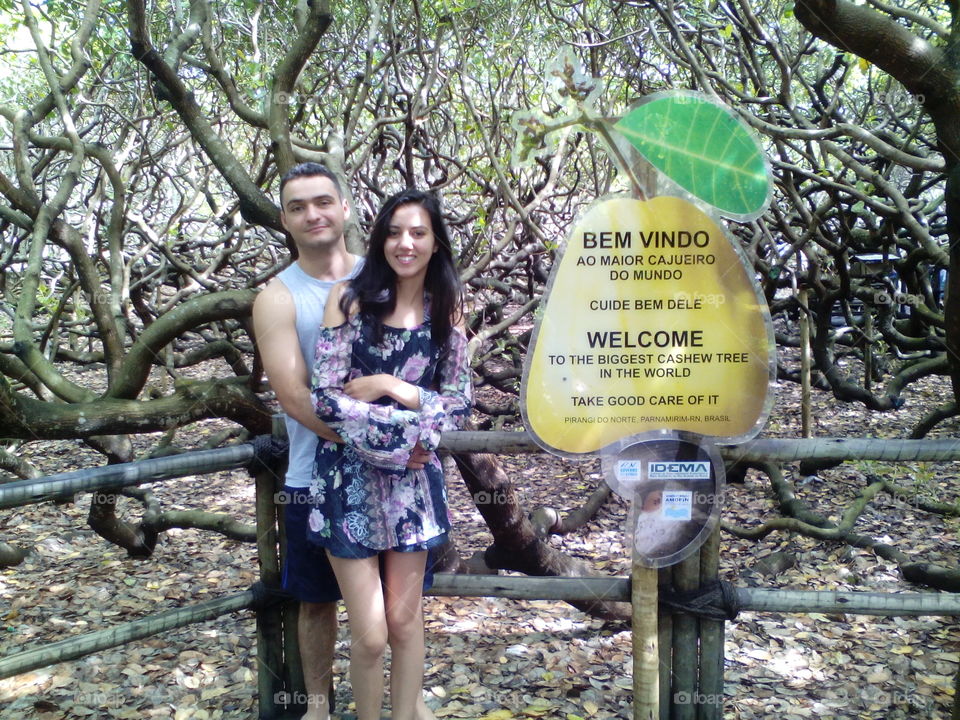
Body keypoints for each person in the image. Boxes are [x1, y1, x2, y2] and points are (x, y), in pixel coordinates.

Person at [252, 164, 433, 720]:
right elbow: (297, 398)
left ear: (347, 208)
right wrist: (384, 448)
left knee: (397, 613)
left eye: (323, 202)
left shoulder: (386, 272)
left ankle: (408, 701)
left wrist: (405, 432)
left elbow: (427, 367)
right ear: (284, 219)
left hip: (402, 480)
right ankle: (318, 706)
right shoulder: (278, 298)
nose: (314, 214)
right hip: (319, 475)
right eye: (299, 206)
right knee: (316, 600)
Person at [308, 189, 472, 720]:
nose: (406, 243)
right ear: (380, 239)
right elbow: (327, 399)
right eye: (395, 232)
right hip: (347, 483)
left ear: (435, 243)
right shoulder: (348, 300)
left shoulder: (446, 310)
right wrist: (404, 441)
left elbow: (458, 404)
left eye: (419, 233)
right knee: (372, 633)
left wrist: (395, 388)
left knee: (406, 624)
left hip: (413, 492)